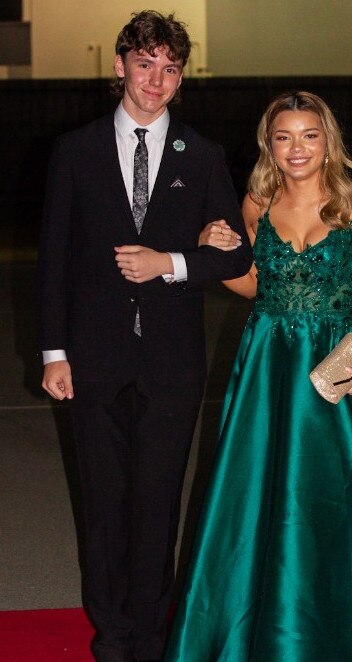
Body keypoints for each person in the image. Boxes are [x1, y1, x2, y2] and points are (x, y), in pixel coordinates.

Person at [163, 92, 352, 661]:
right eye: (284, 137)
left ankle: (350, 623)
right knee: (257, 491)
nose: (296, 148)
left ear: (328, 141)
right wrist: (214, 255)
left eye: (308, 135)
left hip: (331, 367)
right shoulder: (256, 202)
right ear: (268, 145)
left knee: (335, 494)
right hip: (266, 363)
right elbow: (256, 285)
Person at [38, 11, 251, 662]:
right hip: (92, 359)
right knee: (105, 505)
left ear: (182, 77)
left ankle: (152, 639)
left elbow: (237, 258)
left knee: (159, 501)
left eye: (171, 68)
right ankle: (113, 637)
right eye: (145, 64)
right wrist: (54, 352)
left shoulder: (204, 155)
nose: (157, 80)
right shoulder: (74, 152)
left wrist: (175, 261)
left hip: (171, 364)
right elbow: (54, 260)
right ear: (119, 65)